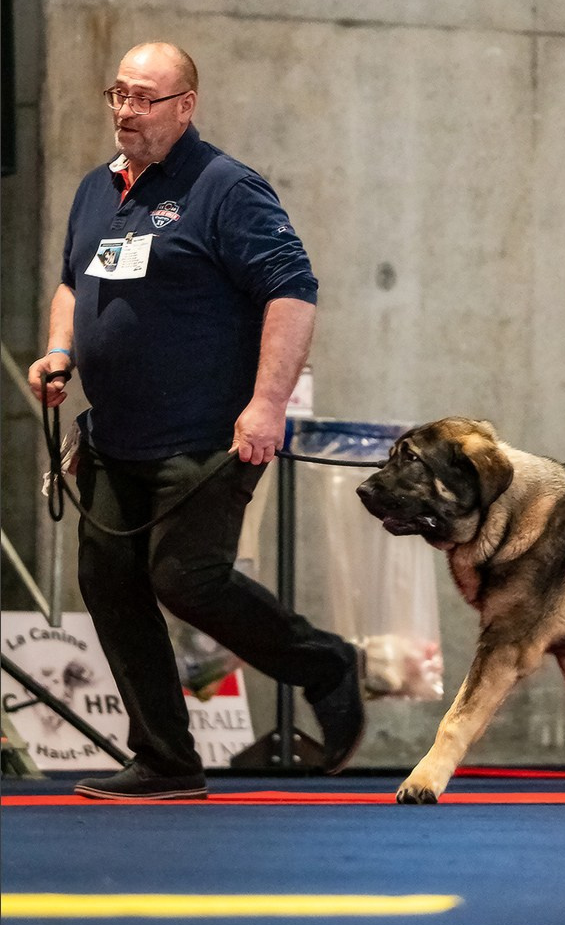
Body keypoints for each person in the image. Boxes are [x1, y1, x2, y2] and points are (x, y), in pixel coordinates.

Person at [27, 41, 364, 800]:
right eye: (118, 94)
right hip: (114, 436)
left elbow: (292, 292)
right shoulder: (94, 189)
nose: (125, 110)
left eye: (145, 98)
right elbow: (71, 284)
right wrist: (59, 352)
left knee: (186, 577)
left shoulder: (226, 188)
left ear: (186, 107)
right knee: (108, 580)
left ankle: (325, 664)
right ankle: (165, 761)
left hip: (209, 435)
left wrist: (267, 403)